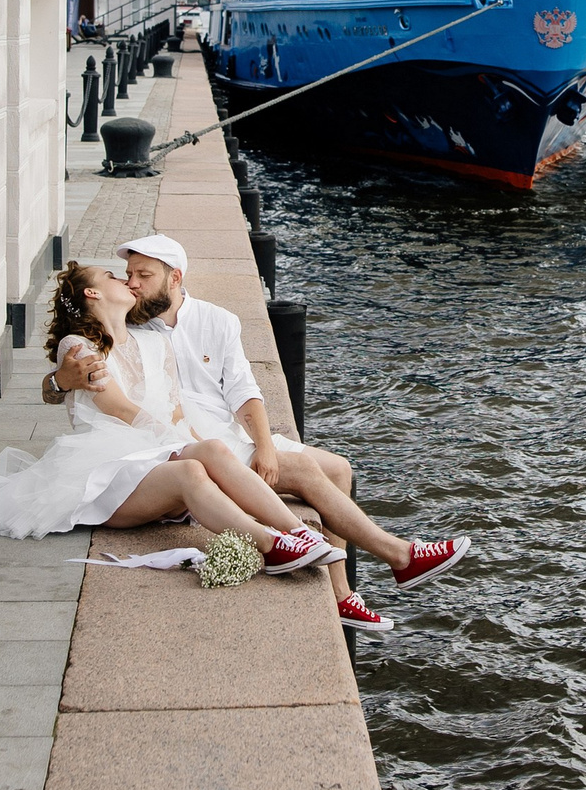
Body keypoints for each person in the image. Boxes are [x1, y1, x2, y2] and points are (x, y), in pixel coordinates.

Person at [46, 234, 468, 631]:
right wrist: (59, 382)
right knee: (301, 470)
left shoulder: (216, 320)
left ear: (174, 277)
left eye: (143, 275)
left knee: (339, 468)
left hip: (217, 433)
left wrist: (264, 445)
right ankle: (396, 555)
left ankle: (342, 595)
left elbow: (244, 389)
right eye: (127, 275)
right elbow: (82, 383)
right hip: (183, 442)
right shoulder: (127, 327)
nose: (132, 284)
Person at [0, 263, 341, 575]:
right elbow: (118, 408)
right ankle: (274, 546)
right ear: (92, 293)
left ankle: (297, 533)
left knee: (209, 451)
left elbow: (176, 410)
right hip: (108, 463)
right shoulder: (79, 346)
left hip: (157, 455)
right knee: (190, 470)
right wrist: (180, 443)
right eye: (112, 277)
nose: (125, 280)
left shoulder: (155, 341)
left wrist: (200, 444)